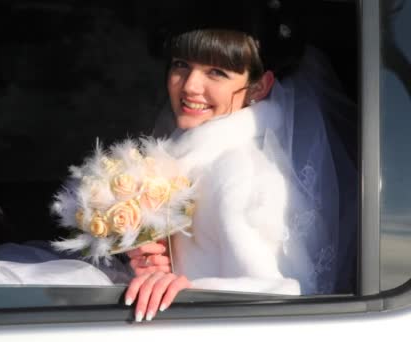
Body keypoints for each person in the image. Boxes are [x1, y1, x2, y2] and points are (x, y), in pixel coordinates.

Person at [123, 5, 357, 322]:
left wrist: (186, 291)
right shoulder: (194, 155)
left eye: (216, 72)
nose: (190, 85)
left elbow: (279, 295)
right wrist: (152, 263)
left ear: (259, 87)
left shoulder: (239, 173)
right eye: (181, 65)